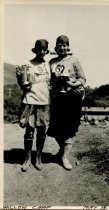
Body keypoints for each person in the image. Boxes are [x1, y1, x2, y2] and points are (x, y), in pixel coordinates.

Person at [47, 35, 86, 170]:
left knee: (69, 129)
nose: (62, 48)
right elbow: (51, 80)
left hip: (72, 98)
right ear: (56, 48)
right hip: (57, 98)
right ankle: (62, 151)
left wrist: (72, 83)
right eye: (60, 45)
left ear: (68, 47)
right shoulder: (51, 62)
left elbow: (82, 79)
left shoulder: (74, 60)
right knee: (56, 128)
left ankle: (64, 157)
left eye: (65, 45)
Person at [16, 39, 50, 172]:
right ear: (35, 50)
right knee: (29, 131)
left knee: (42, 132)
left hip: (44, 100)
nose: (41, 52)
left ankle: (38, 158)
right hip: (29, 100)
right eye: (39, 49)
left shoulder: (49, 65)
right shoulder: (27, 64)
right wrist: (20, 78)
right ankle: (27, 158)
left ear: (47, 51)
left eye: (44, 49)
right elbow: (23, 83)